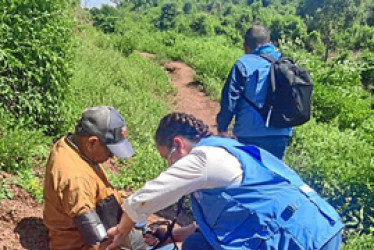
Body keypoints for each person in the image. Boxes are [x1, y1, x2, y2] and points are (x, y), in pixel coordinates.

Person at [106, 112, 343, 250]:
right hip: (319, 226)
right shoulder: (226, 150)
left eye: (166, 158)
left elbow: (143, 200)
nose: (169, 165)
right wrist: (174, 235)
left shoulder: (204, 158)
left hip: (300, 238)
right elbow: (227, 218)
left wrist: (121, 232)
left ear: (177, 144)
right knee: (196, 243)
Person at [43, 106, 146, 250]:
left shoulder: (73, 146)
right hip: (80, 243)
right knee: (142, 243)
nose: (112, 157)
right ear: (92, 142)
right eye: (110, 151)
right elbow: (96, 238)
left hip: (104, 216)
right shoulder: (76, 179)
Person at [216, 24, 292, 159]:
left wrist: (222, 128)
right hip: (281, 134)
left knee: (249, 175)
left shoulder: (243, 64)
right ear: (270, 43)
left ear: (245, 46)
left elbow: (229, 100)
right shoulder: (285, 64)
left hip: (249, 133)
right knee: (272, 175)